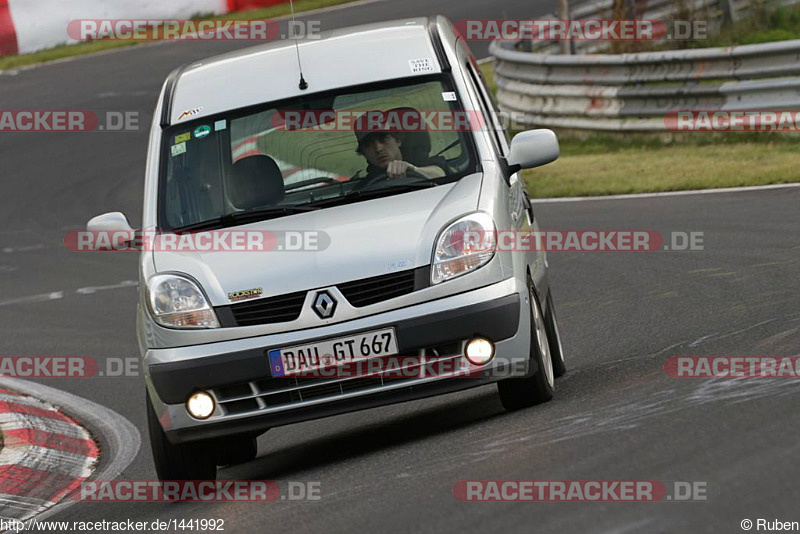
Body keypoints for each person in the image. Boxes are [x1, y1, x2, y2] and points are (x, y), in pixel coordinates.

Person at [353, 109, 447, 180]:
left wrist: (414, 170)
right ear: (364, 153)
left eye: (383, 139)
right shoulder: (364, 188)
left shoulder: (426, 164)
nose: (378, 148)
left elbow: (442, 175)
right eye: (369, 144)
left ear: (398, 140)